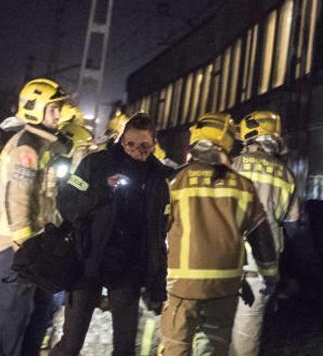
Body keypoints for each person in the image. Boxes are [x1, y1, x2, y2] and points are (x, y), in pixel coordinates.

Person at [51, 112, 172, 356]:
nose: (137, 150)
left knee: (125, 346)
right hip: (88, 262)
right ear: (121, 140)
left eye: (145, 146)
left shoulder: (158, 178)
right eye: (130, 143)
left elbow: (157, 234)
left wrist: (157, 281)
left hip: (128, 269)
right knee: (71, 342)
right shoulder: (96, 164)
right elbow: (67, 201)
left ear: (154, 145)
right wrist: (102, 190)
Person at [159, 112, 279, 356]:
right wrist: (271, 277)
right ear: (227, 143)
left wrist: (150, 277)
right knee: (215, 347)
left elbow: (154, 234)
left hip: (182, 288)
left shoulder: (174, 182)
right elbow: (262, 238)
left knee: (176, 347)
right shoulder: (243, 186)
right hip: (224, 287)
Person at [0, 78, 68, 356]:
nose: (58, 115)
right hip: (15, 248)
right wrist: (26, 245)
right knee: (12, 318)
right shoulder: (28, 147)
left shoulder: (42, 145)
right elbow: (18, 198)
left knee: (29, 316)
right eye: (53, 109)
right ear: (35, 109)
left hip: (29, 245)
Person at [229, 110, 297, 356]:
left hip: (224, 260)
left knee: (214, 328)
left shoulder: (231, 166)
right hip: (261, 266)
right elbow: (292, 222)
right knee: (247, 334)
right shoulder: (286, 174)